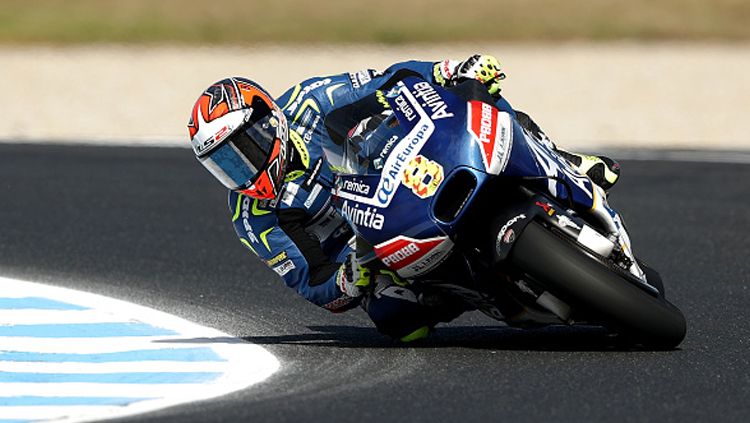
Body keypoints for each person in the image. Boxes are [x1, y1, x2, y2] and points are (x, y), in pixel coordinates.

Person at [187, 54, 621, 342]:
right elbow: (312, 280)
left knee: (478, 99)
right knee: (396, 321)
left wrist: (447, 72)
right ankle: (463, 294)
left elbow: (389, 81)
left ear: (267, 122)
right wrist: (348, 277)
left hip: (404, 173)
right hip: (375, 247)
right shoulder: (252, 216)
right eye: (223, 164)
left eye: (241, 151)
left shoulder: (309, 101)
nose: (239, 170)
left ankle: (561, 160)